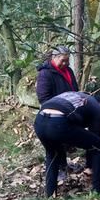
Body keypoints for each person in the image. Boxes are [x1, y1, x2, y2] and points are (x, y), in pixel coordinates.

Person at [33, 91, 100, 199]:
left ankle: (50, 196)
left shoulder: (76, 96)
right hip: (58, 122)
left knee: (52, 154)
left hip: (40, 121)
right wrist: (90, 166)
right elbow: (94, 141)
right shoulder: (97, 108)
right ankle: (99, 191)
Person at [36, 45, 80, 181]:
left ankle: (65, 165)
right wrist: (60, 107)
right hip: (53, 114)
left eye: (67, 61)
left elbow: (75, 89)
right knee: (56, 142)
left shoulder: (69, 71)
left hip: (69, 111)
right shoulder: (45, 73)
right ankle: (58, 169)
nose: (65, 63)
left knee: (67, 140)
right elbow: (43, 98)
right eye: (63, 60)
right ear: (54, 58)